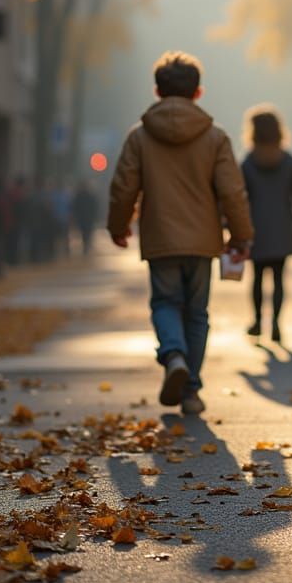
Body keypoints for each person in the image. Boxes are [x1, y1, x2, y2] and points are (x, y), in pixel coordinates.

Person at [107, 51, 253, 415]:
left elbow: (124, 186)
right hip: (203, 241)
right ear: (198, 93)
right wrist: (240, 235)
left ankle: (173, 354)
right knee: (197, 313)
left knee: (165, 302)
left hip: (160, 239)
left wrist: (118, 225)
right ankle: (190, 390)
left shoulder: (140, 137)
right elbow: (231, 191)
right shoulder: (215, 138)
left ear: (157, 90)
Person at [240, 105, 292, 344]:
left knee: (257, 277)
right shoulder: (289, 161)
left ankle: (256, 320)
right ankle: (275, 324)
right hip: (283, 227)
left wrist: (231, 226)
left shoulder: (248, 163)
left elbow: (238, 197)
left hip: (256, 228)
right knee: (279, 278)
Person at [72, 181, 99, 255]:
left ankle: (86, 245)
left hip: (85, 218)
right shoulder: (87, 196)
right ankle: (86, 244)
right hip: (86, 218)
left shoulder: (79, 196)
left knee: (85, 232)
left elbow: (94, 207)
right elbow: (95, 207)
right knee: (87, 232)